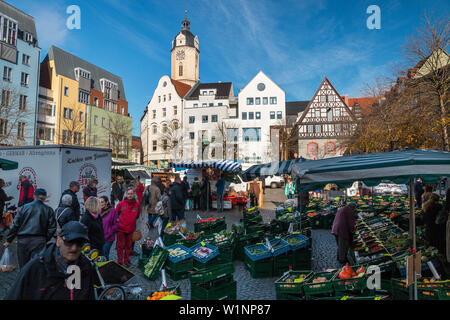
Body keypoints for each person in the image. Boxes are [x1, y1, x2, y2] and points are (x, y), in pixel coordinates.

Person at [5, 221, 96, 300]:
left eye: (80, 243)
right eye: (69, 242)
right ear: (58, 241)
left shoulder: (85, 267)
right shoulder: (36, 267)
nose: (74, 248)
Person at [4, 189, 56, 269]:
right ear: (45, 198)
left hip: (23, 241)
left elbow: (15, 225)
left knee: (23, 267)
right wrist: (45, 238)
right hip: (39, 241)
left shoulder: (24, 208)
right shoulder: (48, 210)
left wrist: (8, 240)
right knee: (37, 267)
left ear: (34, 196)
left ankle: (24, 281)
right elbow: (52, 228)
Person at [115, 188, 140, 266]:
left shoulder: (137, 205)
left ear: (134, 195)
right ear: (126, 194)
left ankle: (126, 260)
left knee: (128, 246)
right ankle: (119, 261)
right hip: (121, 229)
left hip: (131, 229)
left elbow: (137, 215)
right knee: (120, 246)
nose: (130, 195)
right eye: (128, 194)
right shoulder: (121, 204)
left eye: (131, 194)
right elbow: (115, 215)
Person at [99, 196, 119, 261]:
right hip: (99, 237)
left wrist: (109, 232)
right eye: (99, 202)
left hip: (108, 238)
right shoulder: (98, 211)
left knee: (105, 254)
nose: (100, 204)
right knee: (99, 255)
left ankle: (106, 268)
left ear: (107, 202)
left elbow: (116, 225)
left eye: (102, 202)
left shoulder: (113, 211)